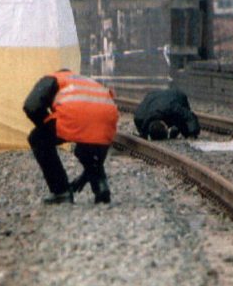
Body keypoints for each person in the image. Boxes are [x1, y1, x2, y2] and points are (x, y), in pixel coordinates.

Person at [23, 69, 118, 204]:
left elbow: (31, 106)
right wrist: (87, 174)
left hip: (75, 117)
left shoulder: (53, 78)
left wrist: (44, 124)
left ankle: (61, 191)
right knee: (86, 144)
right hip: (107, 121)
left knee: (38, 138)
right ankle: (101, 187)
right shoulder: (86, 80)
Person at [133, 87, 200, 140]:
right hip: (153, 96)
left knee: (182, 120)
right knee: (179, 118)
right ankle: (176, 130)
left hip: (176, 95)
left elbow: (189, 117)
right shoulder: (140, 117)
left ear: (164, 125)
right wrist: (143, 134)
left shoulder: (173, 107)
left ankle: (178, 129)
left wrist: (192, 133)